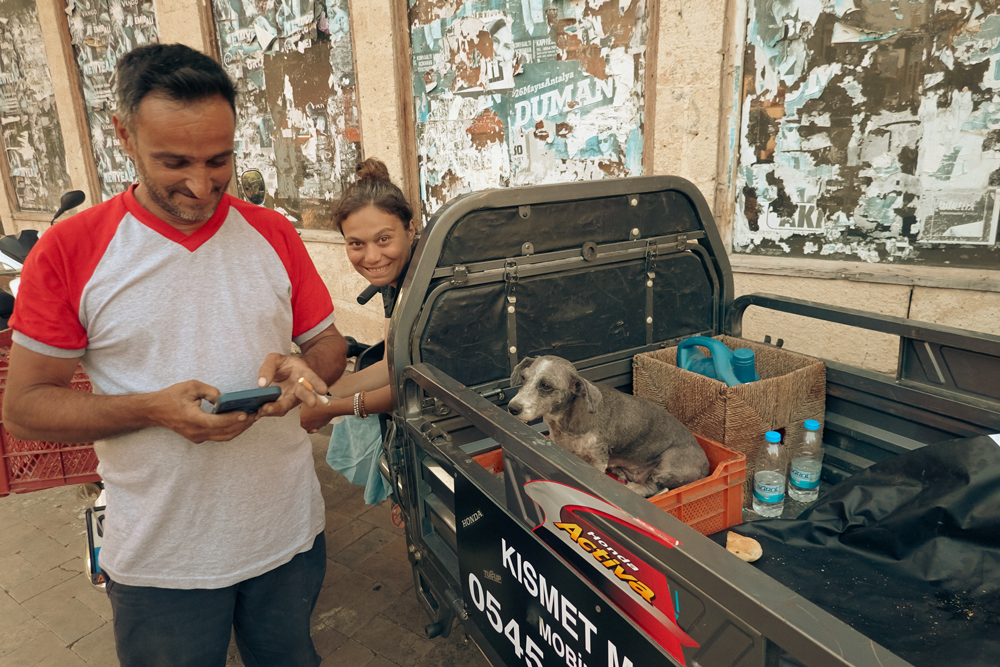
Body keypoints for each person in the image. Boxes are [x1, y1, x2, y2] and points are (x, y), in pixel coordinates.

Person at [3, 43, 347, 667]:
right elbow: (24, 410)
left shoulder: (271, 232)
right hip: (163, 559)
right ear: (123, 137)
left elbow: (327, 345)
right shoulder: (70, 249)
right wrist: (153, 410)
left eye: (220, 160)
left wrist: (308, 370)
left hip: (287, 534)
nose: (200, 185)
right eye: (174, 162)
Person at [300, 159, 415, 520]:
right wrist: (322, 393)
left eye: (384, 239)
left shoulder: (431, 285)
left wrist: (332, 407)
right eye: (356, 244)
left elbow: (413, 387)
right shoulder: (395, 283)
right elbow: (391, 364)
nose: (372, 257)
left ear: (410, 228)